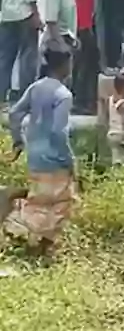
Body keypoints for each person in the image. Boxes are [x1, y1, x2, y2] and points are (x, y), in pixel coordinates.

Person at [4, 49, 76, 256]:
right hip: (54, 157)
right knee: (62, 203)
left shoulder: (36, 88)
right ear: (63, 66)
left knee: (41, 200)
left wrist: (19, 141)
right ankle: (18, 226)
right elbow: (58, 132)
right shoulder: (63, 94)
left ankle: (40, 245)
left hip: (34, 154)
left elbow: (15, 112)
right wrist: (69, 160)